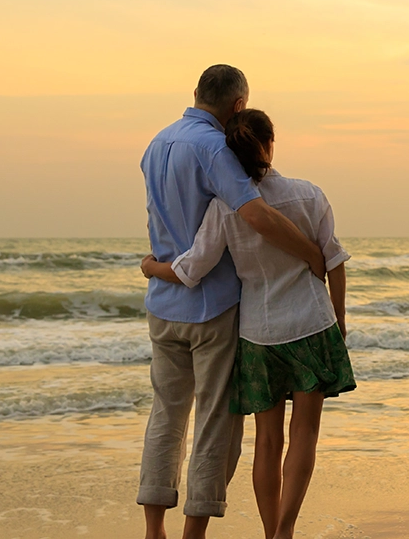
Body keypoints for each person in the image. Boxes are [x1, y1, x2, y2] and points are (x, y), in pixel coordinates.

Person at [142, 108, 356, 539]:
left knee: (267, 441)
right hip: (312, 324)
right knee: (305, 437)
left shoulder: (224, 208)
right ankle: (285, 532)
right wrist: (340, 318)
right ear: (271, 144)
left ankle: (267, 530)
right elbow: (333, 259)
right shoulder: (308, 194)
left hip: (258, 332)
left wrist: (151, 268)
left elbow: (191, 269)